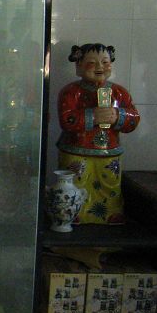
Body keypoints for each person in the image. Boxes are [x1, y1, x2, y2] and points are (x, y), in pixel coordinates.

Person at [56, 43, 140, 224]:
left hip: (108, 149)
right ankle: (74, 210)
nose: (100, 67)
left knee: (110, 181)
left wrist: (118, 116)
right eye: (92, 63)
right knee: (77, 179)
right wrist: (92, 116)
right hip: (76, 148)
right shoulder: (71, 92)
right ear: (78, 66)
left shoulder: (119, 93)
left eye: (105, 62)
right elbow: (66, 120)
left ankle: (111, 211)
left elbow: (134, 119)